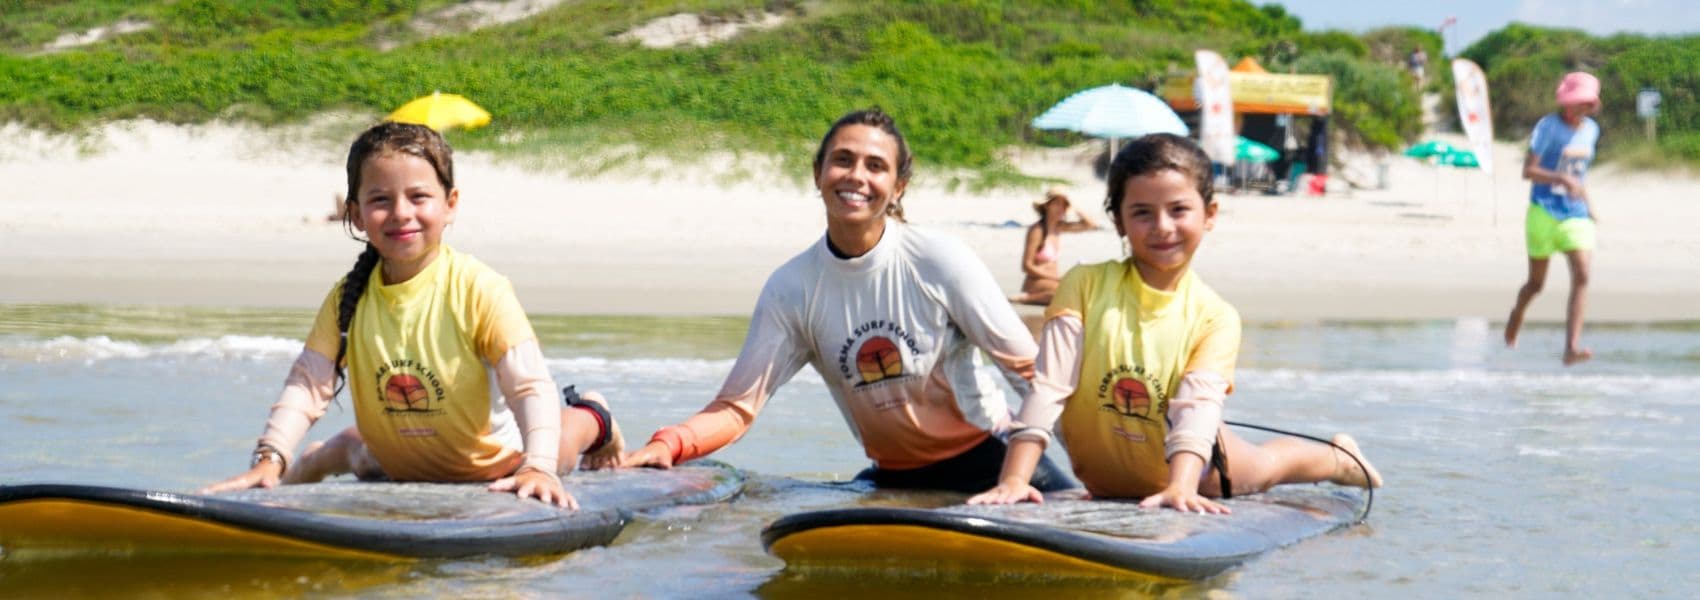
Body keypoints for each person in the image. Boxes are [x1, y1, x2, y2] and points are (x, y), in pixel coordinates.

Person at [619, 108, 1074, 493]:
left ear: (898, 188)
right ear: (818, 174)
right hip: (892, 479)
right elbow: (737, 408)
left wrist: (1094, 469)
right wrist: (669, 445)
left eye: (876, 166)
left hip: (993, 465)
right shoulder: (792, 288)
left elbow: (1031, 372)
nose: (857, 175)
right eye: (843, 160)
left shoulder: (938, 261)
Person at [203, 122, 623, 508]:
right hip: (396, 459)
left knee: (562, 443)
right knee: (353, 451)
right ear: (356, 215)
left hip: (496, 463)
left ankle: (592, 415)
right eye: (380, 200)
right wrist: (270, 459)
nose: (401, 212)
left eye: (418, 197)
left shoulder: (480, 289)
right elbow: (307, 386)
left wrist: (539, 466)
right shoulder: (347, 298)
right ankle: (305, 465)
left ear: (450, 204)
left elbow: (531, 388)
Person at [968, 134, 1381, 512]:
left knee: (1267, 468)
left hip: (1199, 468)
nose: (1163, 227)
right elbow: (1049, 386)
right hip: (1108, 477)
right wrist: (1014, 480)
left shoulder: (1214, 317)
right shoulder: (1083, 285)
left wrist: (1182, 486)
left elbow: (1197, 408)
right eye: (1143, 213)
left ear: (1209, 214)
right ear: (1119, 221)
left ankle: (1336, 458)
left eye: (1179, 209)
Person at [1503, 72, 1602, 366]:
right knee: (1536, 284)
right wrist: (1559, 177)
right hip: (1543, 210)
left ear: (1590, 104)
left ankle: (1571, 348)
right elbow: (1528, 171)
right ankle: (1516, 314)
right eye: (1573, 102)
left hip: (1575, 213)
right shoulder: (1548, 127)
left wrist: (1589, 204)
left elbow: (1579, 175)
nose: (1576, 108)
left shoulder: (1591, 131)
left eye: (1583, 103)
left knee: (1582, 274)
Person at [1010, 185, 1101, 306]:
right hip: (1036, 283)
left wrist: (1074, 208)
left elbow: (1091, 225)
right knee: (1067, 293)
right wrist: (1056, 278)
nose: (1061, 208)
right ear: (1047, 205)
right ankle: (1025, 299)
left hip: (1054, 282)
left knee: (1082, 292)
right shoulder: (1037, 230)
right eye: (1057, 203)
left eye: (1064, 205)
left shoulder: (1060, 227)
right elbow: (1026, 266)